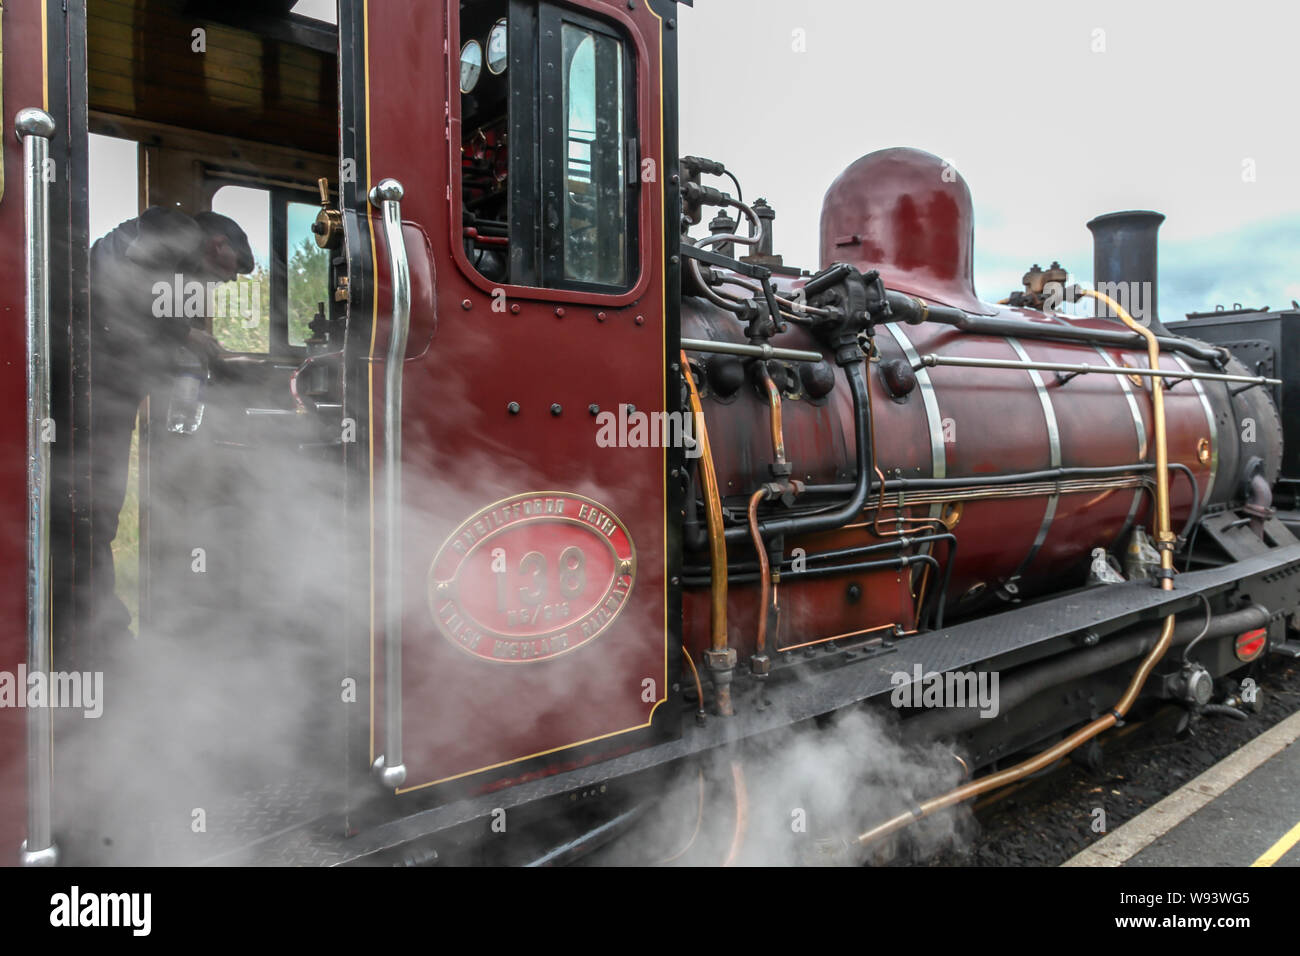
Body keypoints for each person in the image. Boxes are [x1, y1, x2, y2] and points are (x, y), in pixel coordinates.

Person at [88, 207, 255, 644]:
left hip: (106, 390)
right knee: (94, 515)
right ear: (219, 246)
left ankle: (100, 629)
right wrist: (184, 335)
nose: (219, 285)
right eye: (225, 275)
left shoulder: (169, 248)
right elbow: (125, 293)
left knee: (97, 513)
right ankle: (98, 636)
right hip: (93, 389)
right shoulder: (175, 229)